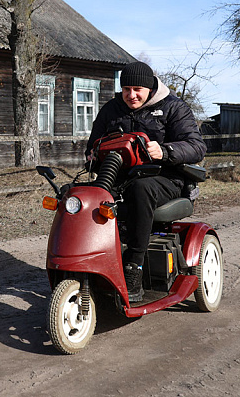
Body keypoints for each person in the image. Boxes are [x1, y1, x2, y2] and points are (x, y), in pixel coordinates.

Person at [85, 61, 206, 303]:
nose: (131, 95)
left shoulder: (173, 107)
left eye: (137, 89)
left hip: (166, 178)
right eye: (126, 89)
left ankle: (134, 269)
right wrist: (92, 156)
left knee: (140, 190)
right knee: (81, 196)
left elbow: (197, 147)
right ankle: (87, 259)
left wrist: (166, 150)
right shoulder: (111, 109)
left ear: (150, 88)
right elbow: (92, 147)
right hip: (118, 178)